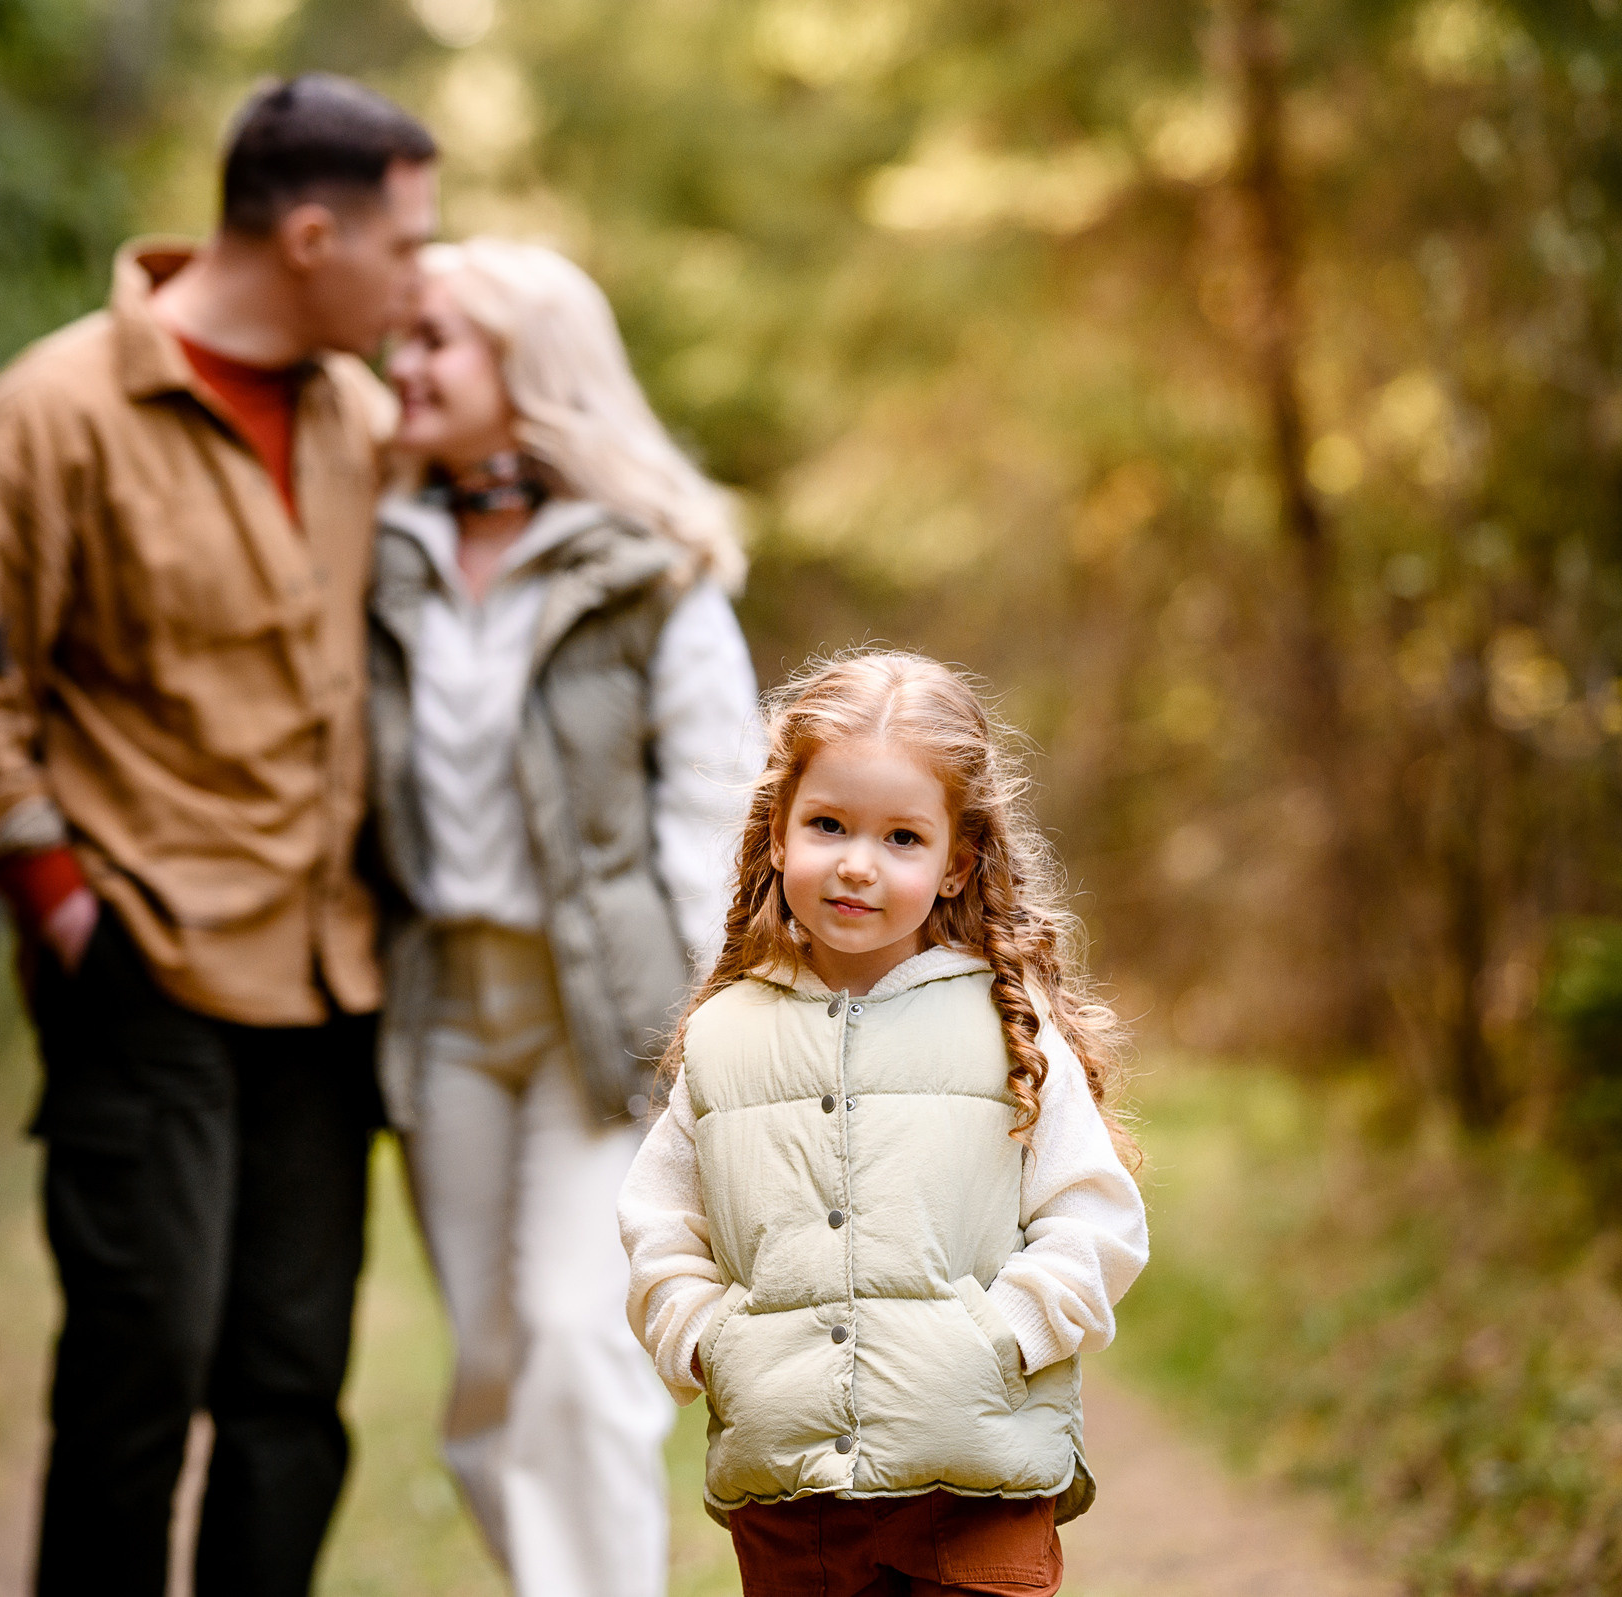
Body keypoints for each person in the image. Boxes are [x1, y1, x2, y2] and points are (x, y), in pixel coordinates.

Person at [0, 76, 436, 1596]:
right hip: (145, 966)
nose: (419, 283)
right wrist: (62, 904)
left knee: (291, 1385)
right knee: (140, 1377)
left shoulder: (368, 419)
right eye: (405, 247)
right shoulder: (47, 416)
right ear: (312, 235)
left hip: (334, 982)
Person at [366, 238, 760, 1596]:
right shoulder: (380, 552)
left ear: (526, 370)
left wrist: (716, 1044)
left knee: (575, 1340)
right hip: (442, 1016)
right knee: (485, 1371)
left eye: (433, 341)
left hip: (606, 1019)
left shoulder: (652, 573)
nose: (397, 363)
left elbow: (718, 821)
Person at [619, 649, 1150, 1597]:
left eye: (903, 837)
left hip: (981, 1490)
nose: (858, 864)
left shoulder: (1005, 1022)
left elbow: (1096, 1218)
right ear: (777, 837)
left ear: (958, 862)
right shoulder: (725, 1036)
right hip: (795, 1512)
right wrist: (712, 1345)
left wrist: (1000, 1339)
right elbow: (662, 1228)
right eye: (828, 825)